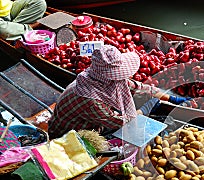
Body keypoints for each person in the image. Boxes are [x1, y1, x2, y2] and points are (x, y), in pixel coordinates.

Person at [48, 45, 189, 139]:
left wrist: (171, 99)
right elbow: (119, 122)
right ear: (109, 75)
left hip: (93, 119)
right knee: (128, 131)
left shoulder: (97, 77)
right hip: (68, 136)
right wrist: (145, 109)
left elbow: (137, 86)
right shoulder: (89, 98)